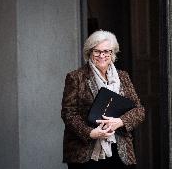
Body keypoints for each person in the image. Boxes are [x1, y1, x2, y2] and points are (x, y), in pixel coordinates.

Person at [61, 30, 145, 169]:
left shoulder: (123, 77)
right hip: (85, 152)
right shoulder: (76, 77)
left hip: (120, 150)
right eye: (97, 51)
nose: (102, 55)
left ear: (112, 53)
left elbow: (139, 110)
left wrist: (120, 122)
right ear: (89, 53)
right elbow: (68, 113)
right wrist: (89, 132)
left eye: (107, 51)